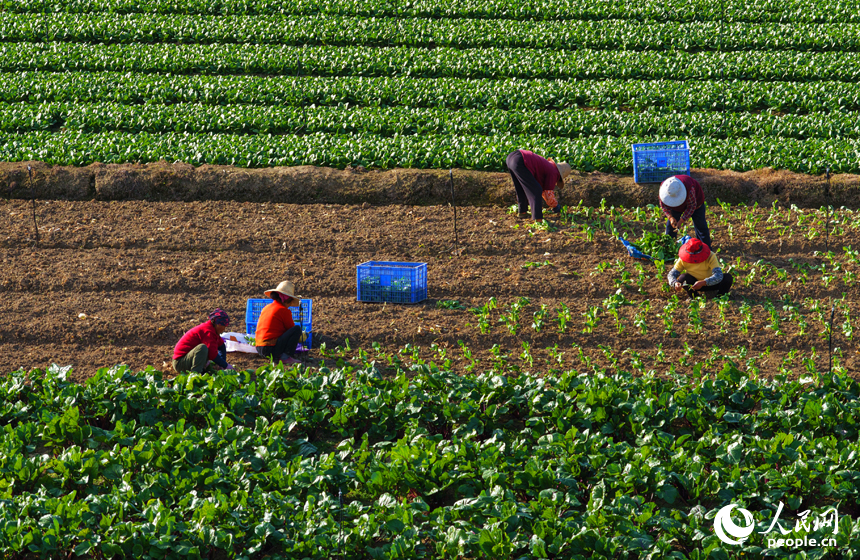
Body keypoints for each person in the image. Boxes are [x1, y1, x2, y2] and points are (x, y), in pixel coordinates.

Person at [505, 149, 571, 221]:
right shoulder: (554, 173)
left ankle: (522, 212)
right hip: (520, 160)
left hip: (511, 157)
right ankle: (538, 218)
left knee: (521, 187)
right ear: (560, 176)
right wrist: (556, 206)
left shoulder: (547, 165)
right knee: (536, 190)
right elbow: (548, 193)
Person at [255, 280, 308, 366]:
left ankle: (281, 355)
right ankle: (285, 357)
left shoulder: (266, 308)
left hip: (259, 348)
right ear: (287, 300)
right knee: (297, 329)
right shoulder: (283, 310)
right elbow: (291, 329)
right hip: (270, 348)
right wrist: (301, 335)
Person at [173, 309, 233, 373]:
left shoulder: (213, 330)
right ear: (216, 324)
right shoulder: (208, 331)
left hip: (187, 359)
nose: (224, 329)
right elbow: (212, 354)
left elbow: (221, 346)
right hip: (180, 363)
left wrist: (222, 365)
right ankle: (196, 373)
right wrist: (226, 365)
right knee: (202, 348)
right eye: (222, 326)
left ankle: (201, 369)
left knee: (205, 349)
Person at [668, 238, 733, 297]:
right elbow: (671, 274)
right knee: (683, 278)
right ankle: (694, 296)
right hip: (693, 286)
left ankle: (720, 296)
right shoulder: (683, 259)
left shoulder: (710, 256)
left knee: (728, 278)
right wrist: (675, 283)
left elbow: (718, 275)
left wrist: (704, 282)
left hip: (711, 284)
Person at [659, 175, 711, 248]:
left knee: (700, 226)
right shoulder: (664, 188)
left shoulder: (689, 188)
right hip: (675, 207)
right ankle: (668, 247)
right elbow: (663, 205)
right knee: (670, 227)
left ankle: (705, 248)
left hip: (696, 203)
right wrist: (670, 217)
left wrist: (681, 220)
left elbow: (692, 207)